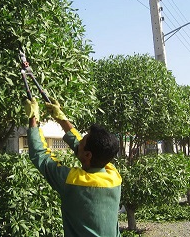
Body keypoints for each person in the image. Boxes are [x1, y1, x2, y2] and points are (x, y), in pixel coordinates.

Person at [24, 97, 122, 236]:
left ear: (88, 155)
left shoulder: (73, 181)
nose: (79, 141)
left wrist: (33, 118)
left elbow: (40, 154)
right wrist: (61, 118)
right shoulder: (113, 175)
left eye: (83, 140)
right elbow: (80, 146)